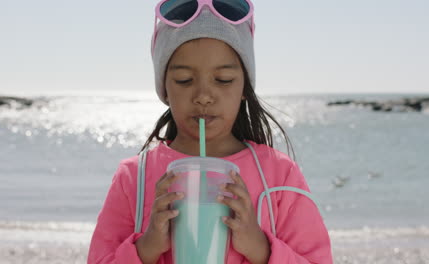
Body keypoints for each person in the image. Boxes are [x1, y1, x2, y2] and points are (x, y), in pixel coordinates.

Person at [88, 1, 333, 263]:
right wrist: (147, 247)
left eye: (223, 80)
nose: (204, 96)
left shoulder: (279, 174)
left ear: (243, 88)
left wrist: (260, 247)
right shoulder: (133, 177)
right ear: (165, 89)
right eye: (184, 80)